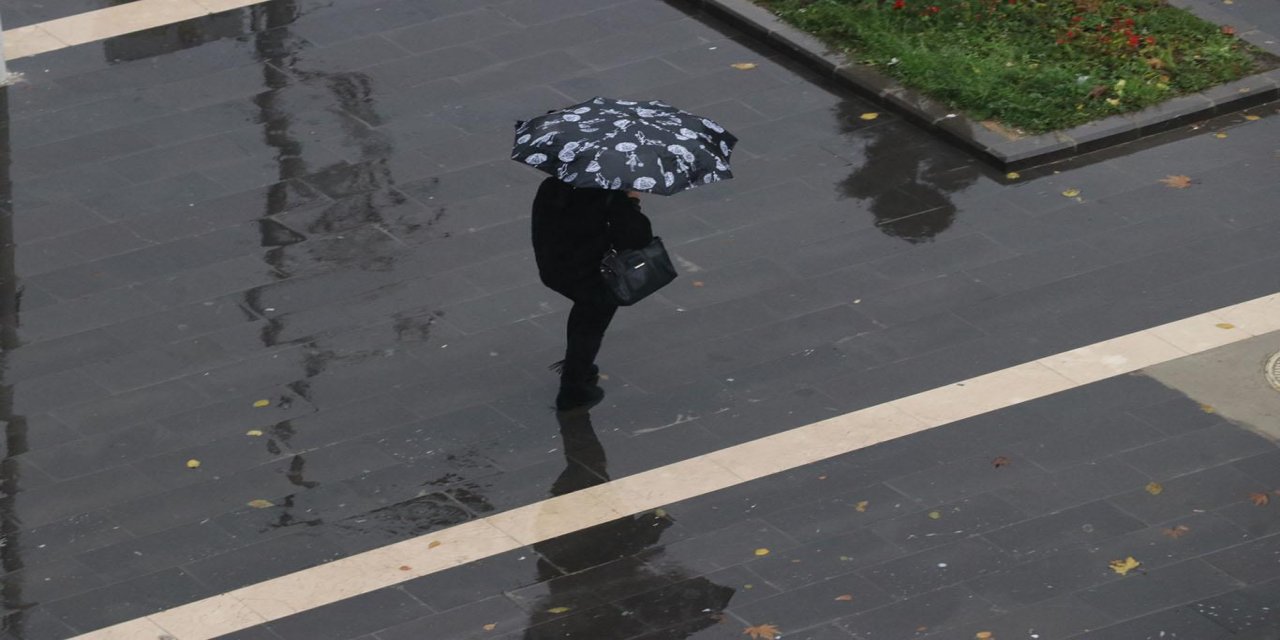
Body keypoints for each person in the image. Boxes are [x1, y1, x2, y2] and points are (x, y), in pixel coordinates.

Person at [531, 177, 653, 411]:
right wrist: (631, 203)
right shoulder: (609, 198)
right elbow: (638, 237)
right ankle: (573, 389)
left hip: (553, 268)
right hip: (592, 276)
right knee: (591, 326)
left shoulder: (551, 185)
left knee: (583, 309)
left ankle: (577, 367)